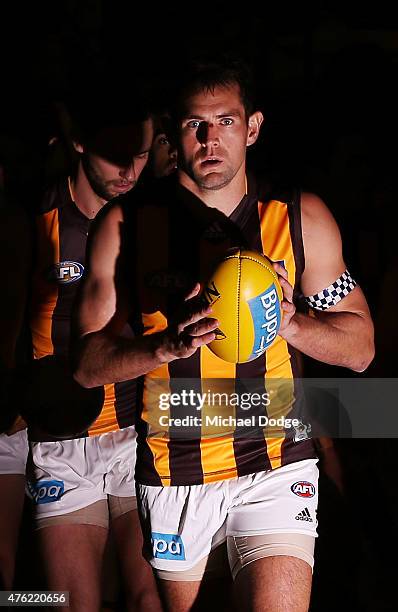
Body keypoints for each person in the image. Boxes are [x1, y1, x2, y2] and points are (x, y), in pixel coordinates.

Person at [73, 56, 374, 612]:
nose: (211, 140)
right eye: (195, 125)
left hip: (277, 464)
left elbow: (360, 349)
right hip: (176, 471)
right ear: (172, 132)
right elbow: (87, 364)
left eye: (226, 122)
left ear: (253, 127)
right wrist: (163, 345)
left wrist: (290, 320)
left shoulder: (299, 218)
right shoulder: (127, 225)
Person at [25, 92, 162, 612]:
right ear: (79, 141)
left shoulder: (153, 221)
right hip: (58, 440)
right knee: (69, 603)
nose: (131, 168)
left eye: (144, 153)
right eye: (117, 152)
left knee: (151, 597)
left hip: (137, 432)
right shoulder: (35, 217)